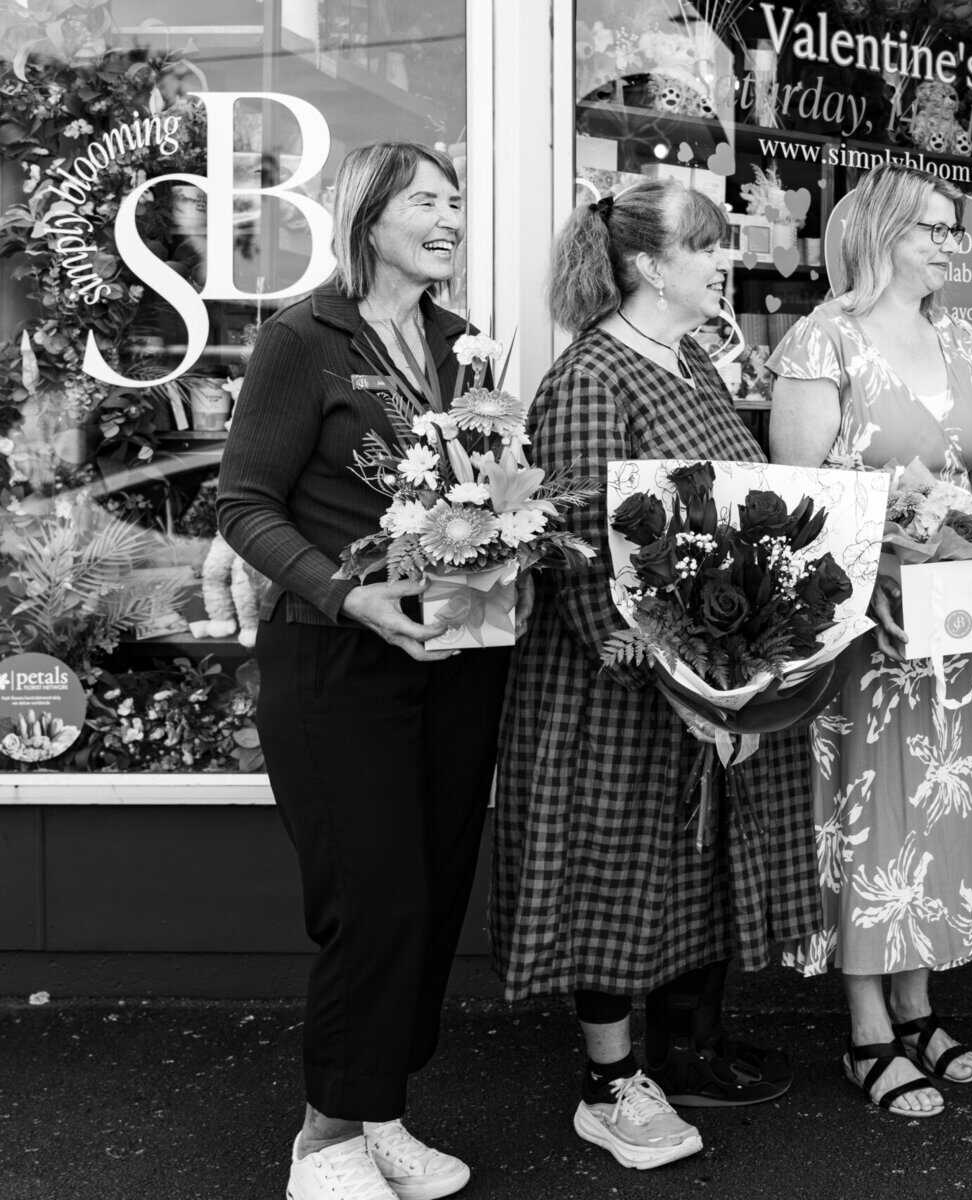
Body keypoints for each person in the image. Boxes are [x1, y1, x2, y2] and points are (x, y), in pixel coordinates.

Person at [489, 177, 815, 1171]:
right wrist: (672, 663)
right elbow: (586, 544)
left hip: (699, 669)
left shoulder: (690, 365)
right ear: (647, 265)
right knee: (611, 874)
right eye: (709, 247)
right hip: (619, 686)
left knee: (673, 876)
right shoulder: (593, 378)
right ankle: (606, 1086)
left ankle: (676, 1052)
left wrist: (749, 651)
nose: (727, 260)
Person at [219, 141, 501, 1200]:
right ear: (367, 214)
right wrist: (346, 594)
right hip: (337, 658)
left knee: (427, 898)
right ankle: (322, 1142)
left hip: (452, 658)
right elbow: (242, 503)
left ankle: (379, 1111)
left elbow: (484, 494)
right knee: (371, 901)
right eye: (427, 200)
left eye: (457, 202)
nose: (449, 218)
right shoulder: (302, 338)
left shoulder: (461, 344)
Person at [768, 163, 972, 1119]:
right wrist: (877, 570)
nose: (950, 245)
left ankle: (918, 1004)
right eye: (933, 229)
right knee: (867, 810)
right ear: (877, 235)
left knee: (940, 806)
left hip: (951, 615)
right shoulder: (821, 339)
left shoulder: (962, 336)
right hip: (864, 625)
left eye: (952, 230)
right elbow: (802, 499)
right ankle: (867, 1023)